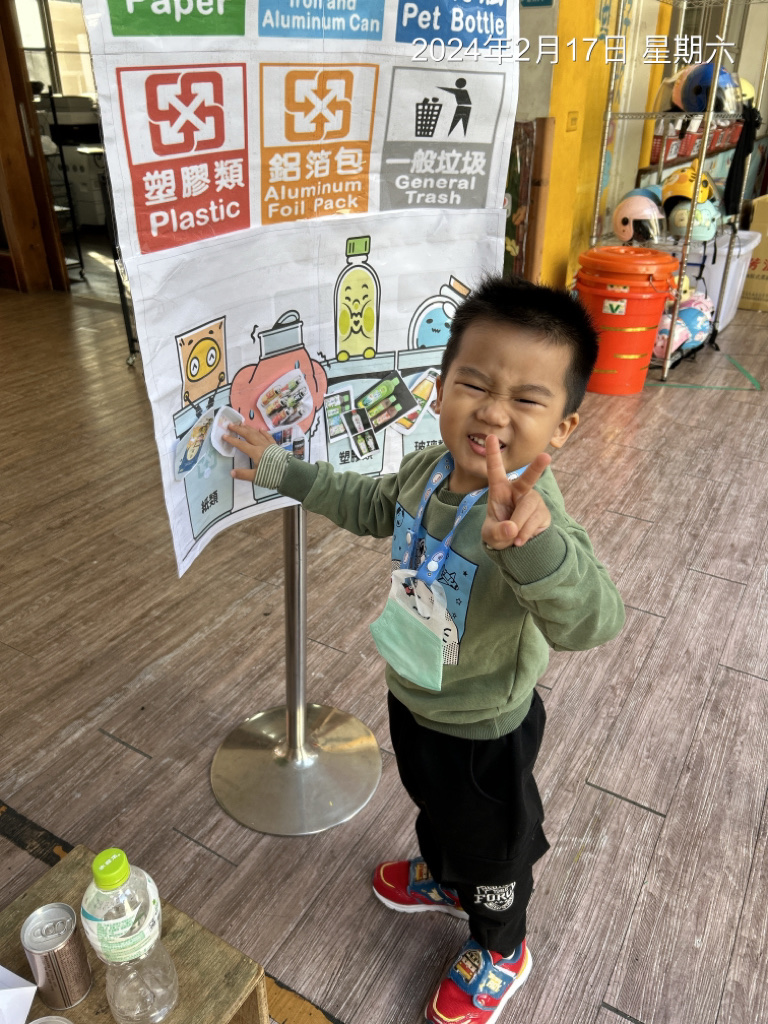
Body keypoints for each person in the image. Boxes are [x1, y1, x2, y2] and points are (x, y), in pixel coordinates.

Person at [224, 275, 625, 1024]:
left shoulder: (537, 520)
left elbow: (594, 622)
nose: (493, 411)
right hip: (413, 689)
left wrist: (535, 548)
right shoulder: (426, 470)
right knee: (433, 804)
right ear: (439, 390)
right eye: (474, 384)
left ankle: (502, 945)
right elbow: (368, 504)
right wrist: (285, 471)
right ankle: (446, 876)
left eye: (527, 399)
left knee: (494, 848)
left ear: (563, 428)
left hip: (484, 727)